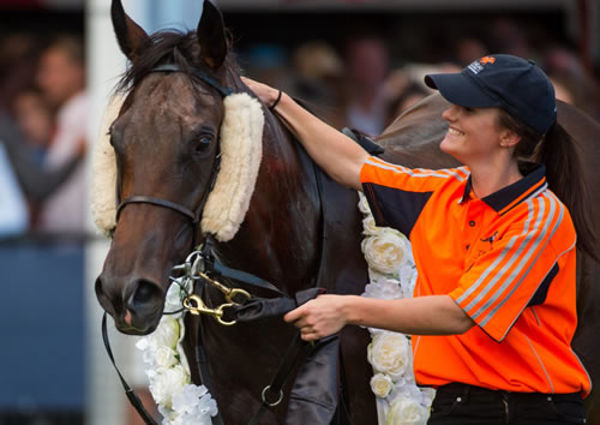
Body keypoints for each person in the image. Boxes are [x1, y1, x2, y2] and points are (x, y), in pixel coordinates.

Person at [243, 54, 594, 424]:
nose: (448, 115)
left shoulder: (538, 218)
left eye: (468, 109)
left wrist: (344, 310)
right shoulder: (442, 190)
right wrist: (276, 100)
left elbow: (459, 313)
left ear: (509, 136)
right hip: (454, 404)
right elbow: (352, 164)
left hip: (528, 412)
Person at [35, 35, 88, 235]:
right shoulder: (68, 114)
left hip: (79, 242)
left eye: (51, 71)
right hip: (61, 240)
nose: (43, 81)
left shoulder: (87, 113)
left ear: (77, 71)